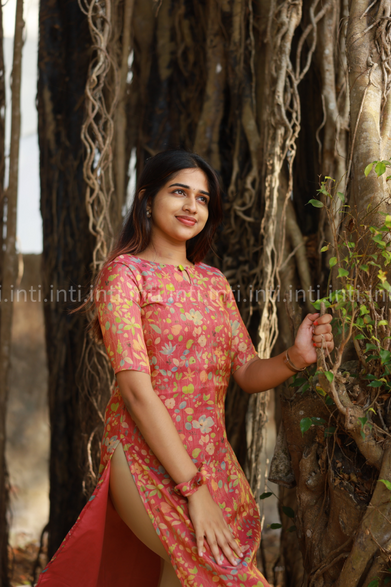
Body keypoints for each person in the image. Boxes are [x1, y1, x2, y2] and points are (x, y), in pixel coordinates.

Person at [36, 150, 333, 587]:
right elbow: (137, 393)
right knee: (222, 572)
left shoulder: (213, 283)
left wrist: (296, 357)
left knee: (186, 578)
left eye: (203, 198)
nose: (192, 206)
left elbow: (248, 372)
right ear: (147, 200)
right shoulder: (125, 277)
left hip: (212, 459)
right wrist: (194, 492)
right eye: (179, 192)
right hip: (143, 457)